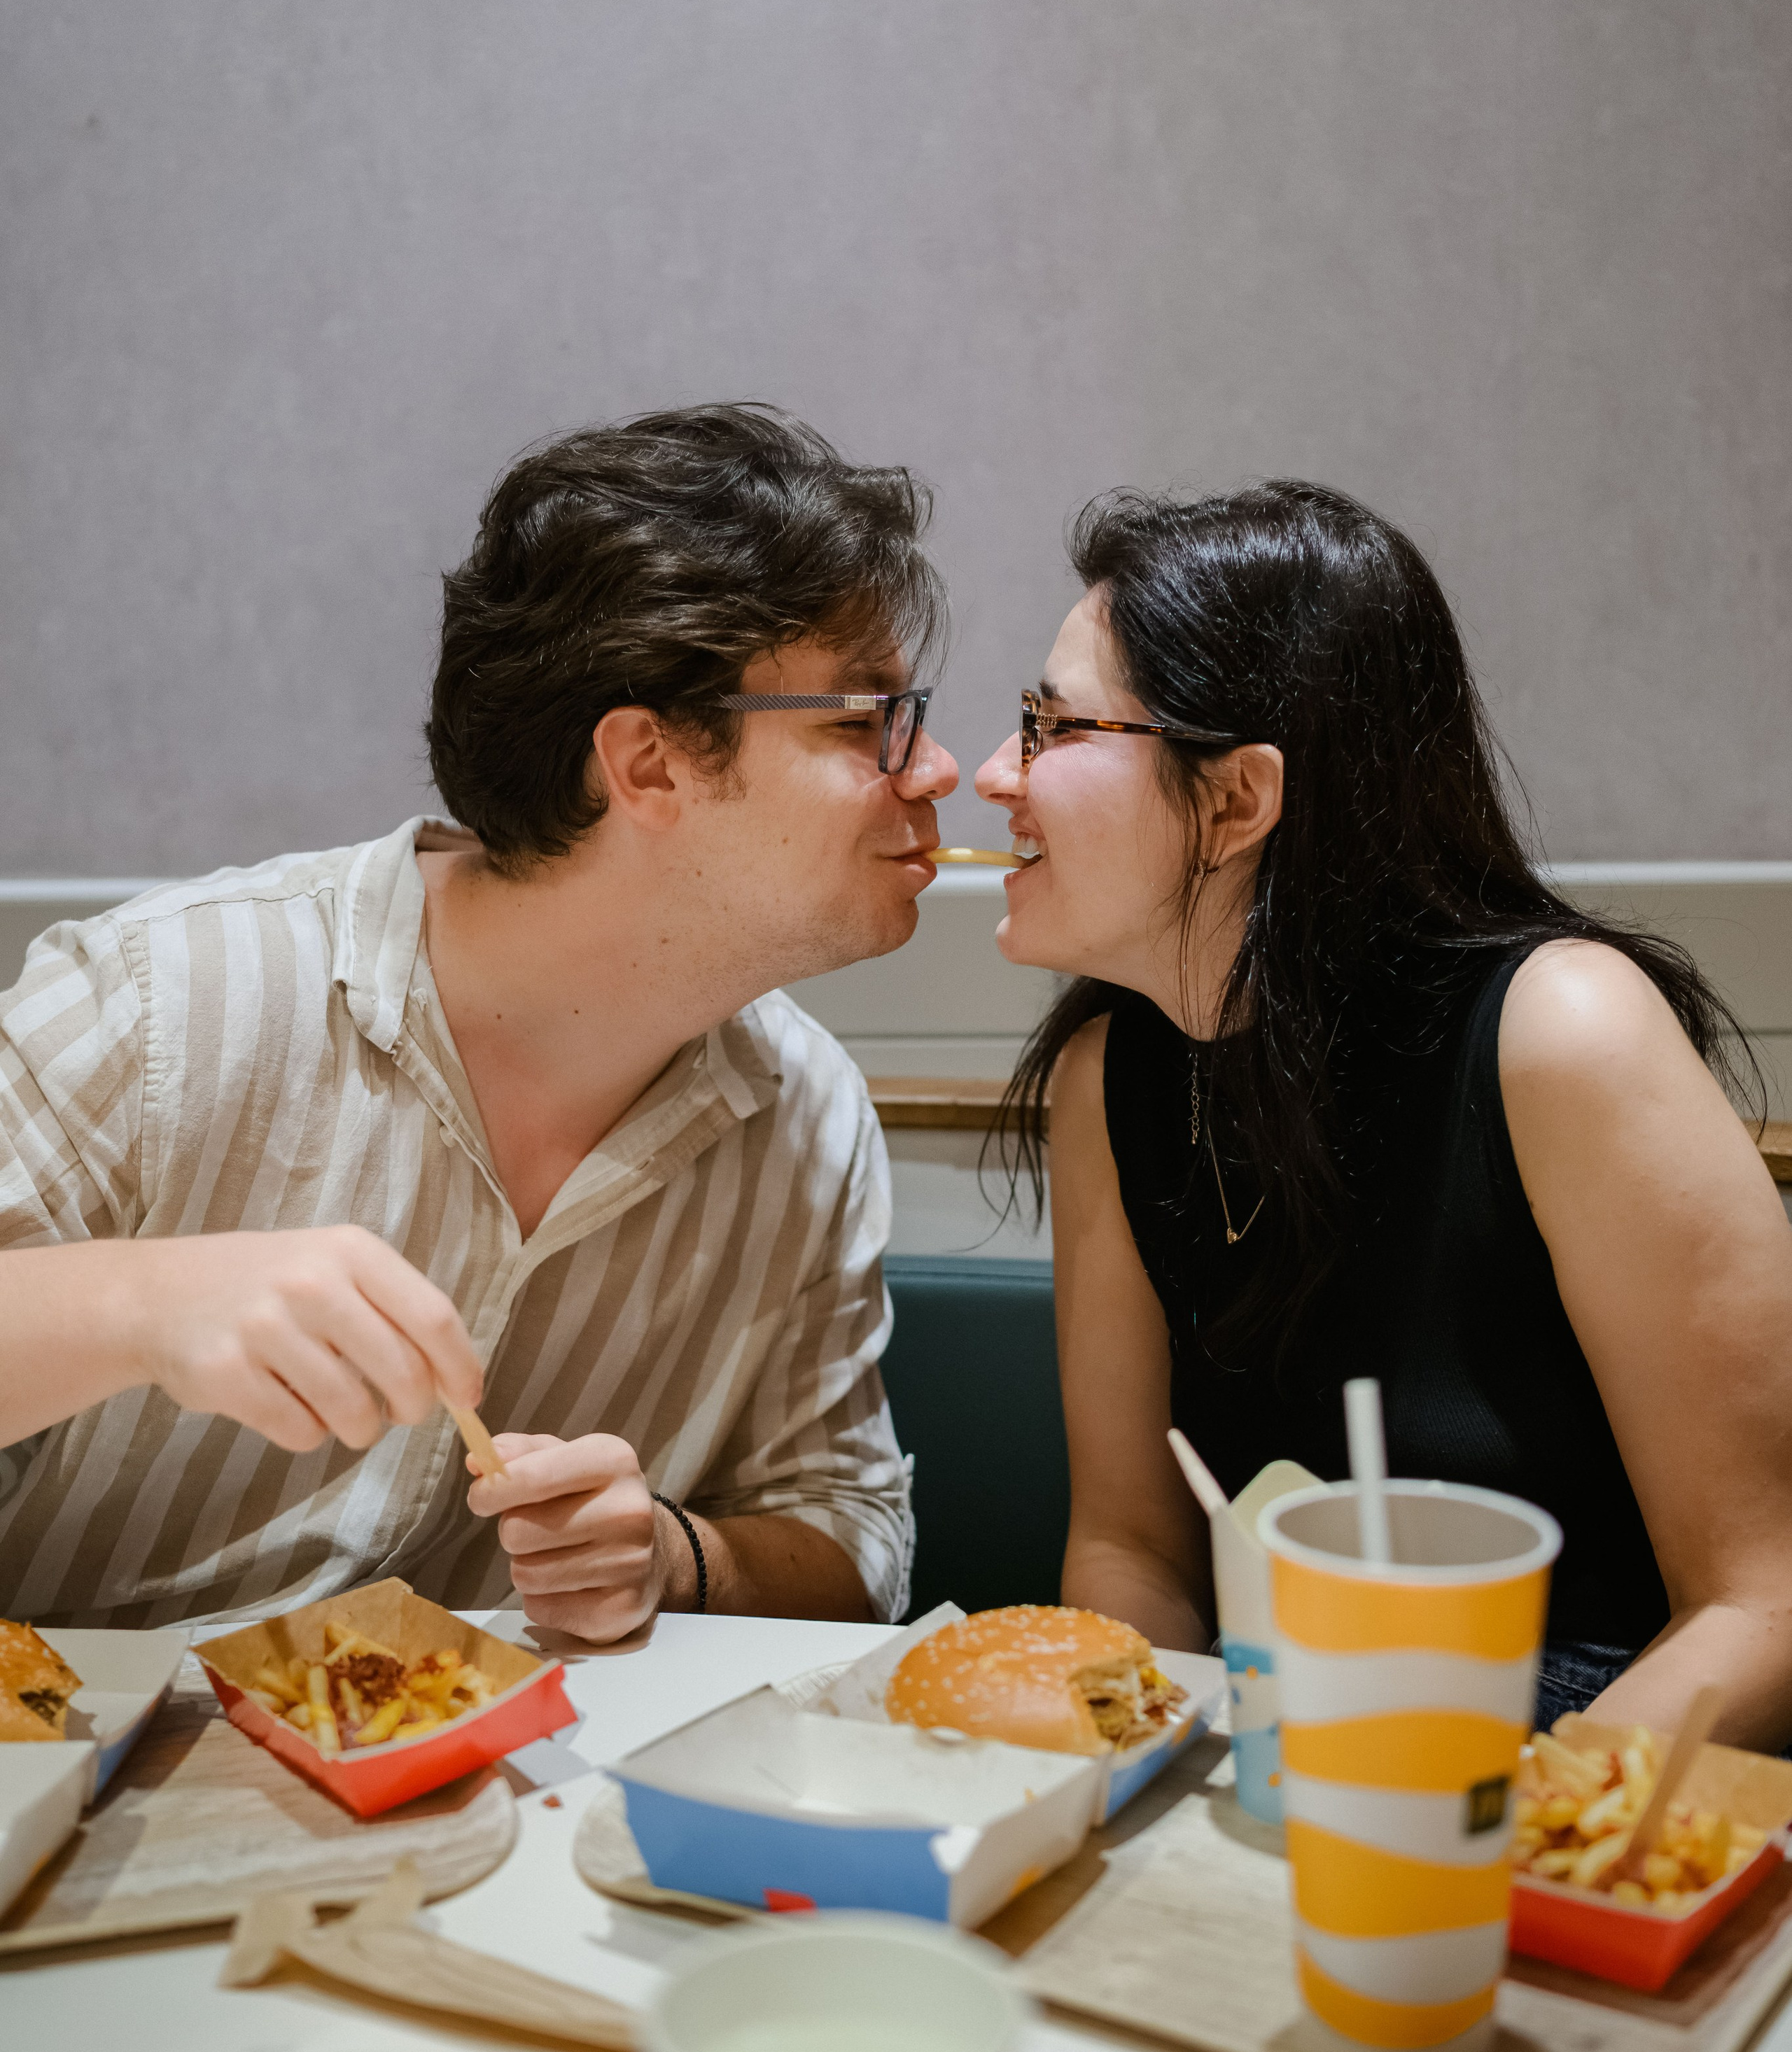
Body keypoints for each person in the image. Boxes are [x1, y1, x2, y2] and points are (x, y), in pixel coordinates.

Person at [0, 403, 957, 1643]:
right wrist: (135, 1306)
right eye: (863, 721)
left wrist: (676, 1555)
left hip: (507, 1815)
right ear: (649, 765)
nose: (935, 770)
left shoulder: (806, 1112)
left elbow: (852, 1533)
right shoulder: (161, 1004)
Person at [976, 479, 1792, 1746]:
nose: (992, 774)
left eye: (1053, 727)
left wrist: (1498, 1840)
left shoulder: (1562, 1032)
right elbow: (1135, 1545)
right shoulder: (1111, 1076)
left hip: (1599, 1781)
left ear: (1238, 801)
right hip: (1284, 1768)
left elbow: (1766, 1598)